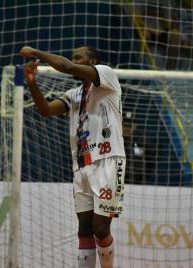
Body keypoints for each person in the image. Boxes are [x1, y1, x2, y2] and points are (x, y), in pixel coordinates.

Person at [20, 45, 126, 268]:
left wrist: (36, 53)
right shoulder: (74, 94)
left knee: (100, 228)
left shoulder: (106, 74)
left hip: (107, 160)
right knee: (84, 228)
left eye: (79, 57)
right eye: (73, 57)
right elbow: (46, 111)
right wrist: (31, 83)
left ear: (92, 61)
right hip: (81, 166)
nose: (73, 61)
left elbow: (66, 66)